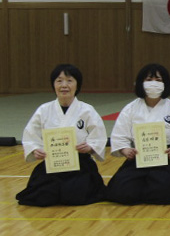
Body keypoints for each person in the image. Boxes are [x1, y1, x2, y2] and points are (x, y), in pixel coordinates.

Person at [17, 64, 107, 206]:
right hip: (52, 163)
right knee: (41, 197)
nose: (64, 85)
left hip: (80, 164)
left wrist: (90, 147)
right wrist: (35, 150)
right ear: (53, 85)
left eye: (69, 81)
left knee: (75, 196)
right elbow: (30, 135)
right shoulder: (44, 110)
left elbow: (98, 136)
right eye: (59, 81)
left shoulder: (87, 110)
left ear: (77, 85)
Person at [106, 64, 170, 205]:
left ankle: (147, 189)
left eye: (158, 80)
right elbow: (120, 135)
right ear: (141, 83)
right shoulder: (130, 109)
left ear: (165, 84)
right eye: (149, 79)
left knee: (164, 192)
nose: (153, 83)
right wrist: (125, 150)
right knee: (121, 192)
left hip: (166, 158)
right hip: (138, 157)